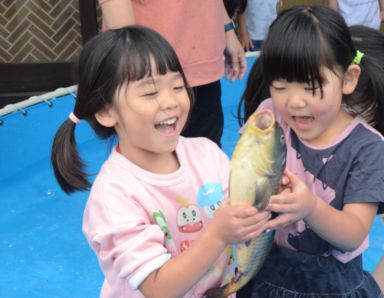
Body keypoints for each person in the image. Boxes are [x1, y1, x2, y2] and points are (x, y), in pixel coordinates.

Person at [50, 26, 270, 298]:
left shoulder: (207, 154)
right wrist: (218, 234)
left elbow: (243, 209)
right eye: (150, 93)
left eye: (178, 86)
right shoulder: (115, 196)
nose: (171, 101)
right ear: (107, 111)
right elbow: (157, 287)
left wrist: (269, 194)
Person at [236, 5, 384, 297]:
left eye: (310, 87)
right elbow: (241, 172)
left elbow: (353, 234)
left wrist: (310, 208)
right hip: (266, 273)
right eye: (280, 86)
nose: (294, 102)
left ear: (348, 79)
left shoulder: (367, 148)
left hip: (332, 286)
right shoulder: (271, 118)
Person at [98, 0, 247, 148]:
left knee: (207, 155)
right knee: (153, 158)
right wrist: (135, 64)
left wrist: (227, 29)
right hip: (152, 68)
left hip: (203, 60)